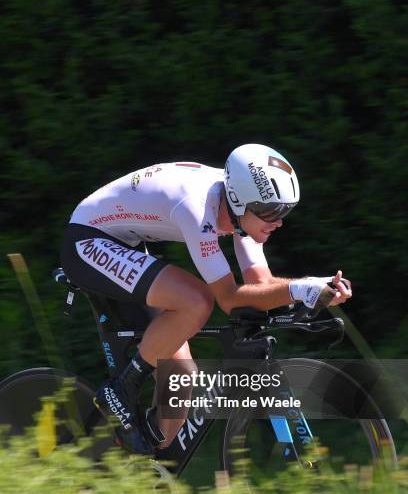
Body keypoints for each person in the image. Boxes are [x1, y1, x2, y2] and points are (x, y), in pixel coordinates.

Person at [61, 143, 352, 453]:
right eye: (271, 212)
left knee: (181, 378)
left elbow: (260, 285)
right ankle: (122, 388)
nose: (278, 221)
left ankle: (145, 467)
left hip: (126, 244)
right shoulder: (197, 208)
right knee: (197, 300)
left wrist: (312, 290)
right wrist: (298, 288)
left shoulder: (240, 211)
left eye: (284, 211)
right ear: (240, 202)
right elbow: (229, 299)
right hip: (87, 239)